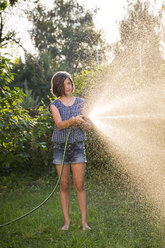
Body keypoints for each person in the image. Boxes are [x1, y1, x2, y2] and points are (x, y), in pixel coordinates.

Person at [49, 71, 91, 231]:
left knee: (79, 185)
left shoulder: (81, 102)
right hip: (61, 148)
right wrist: (72, 120)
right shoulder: (54, 105)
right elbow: (59, 124)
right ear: (58, 86)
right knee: (64, 185)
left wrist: (83, 123)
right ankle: (67, 222)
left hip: (78, 147)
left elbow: (88, 126)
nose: (68, 86)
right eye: (64, 84)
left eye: (69, 83)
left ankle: (84, 223)